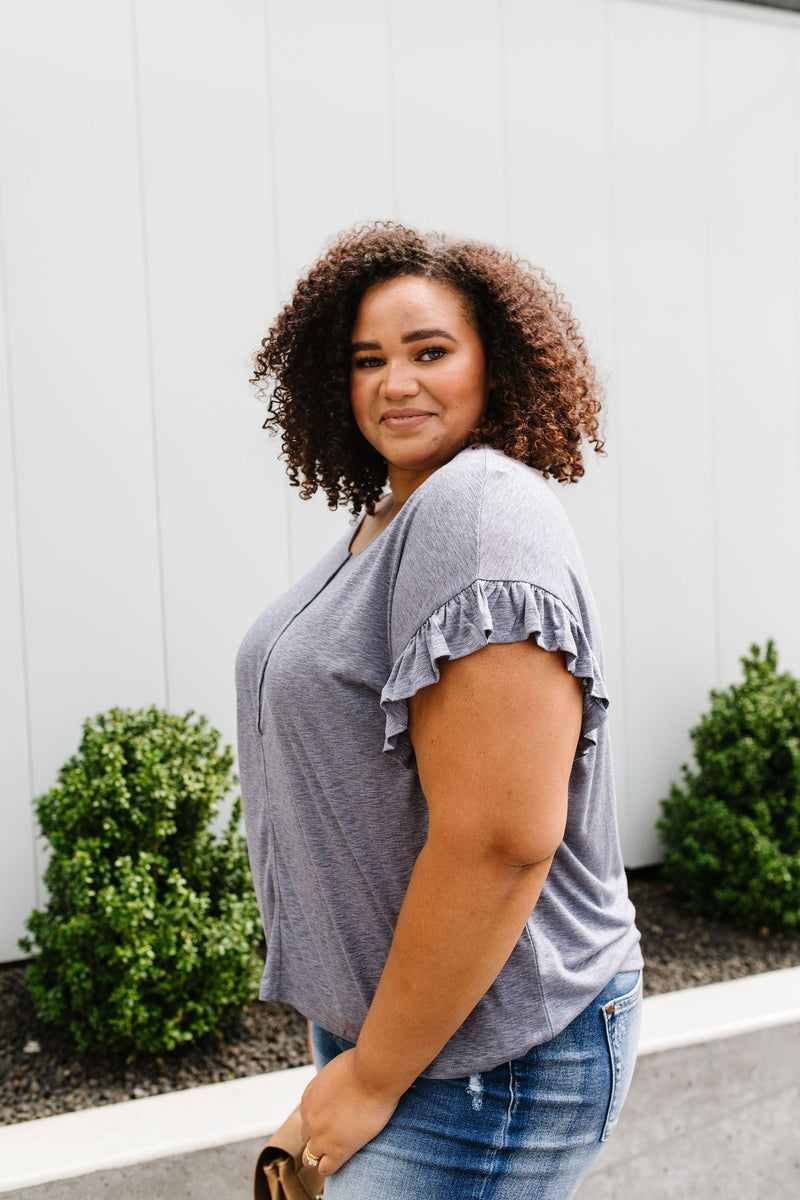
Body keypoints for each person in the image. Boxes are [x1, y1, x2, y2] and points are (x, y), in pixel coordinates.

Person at [236, 222, 643, 1200]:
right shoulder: (392, 519)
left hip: (494, 1056)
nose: (394, 382)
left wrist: (371, 1075)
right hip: (417, 1027)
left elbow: (500, 839)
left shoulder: (477, 509)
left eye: (428, 352)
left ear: (493, 365)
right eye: (367, 360)